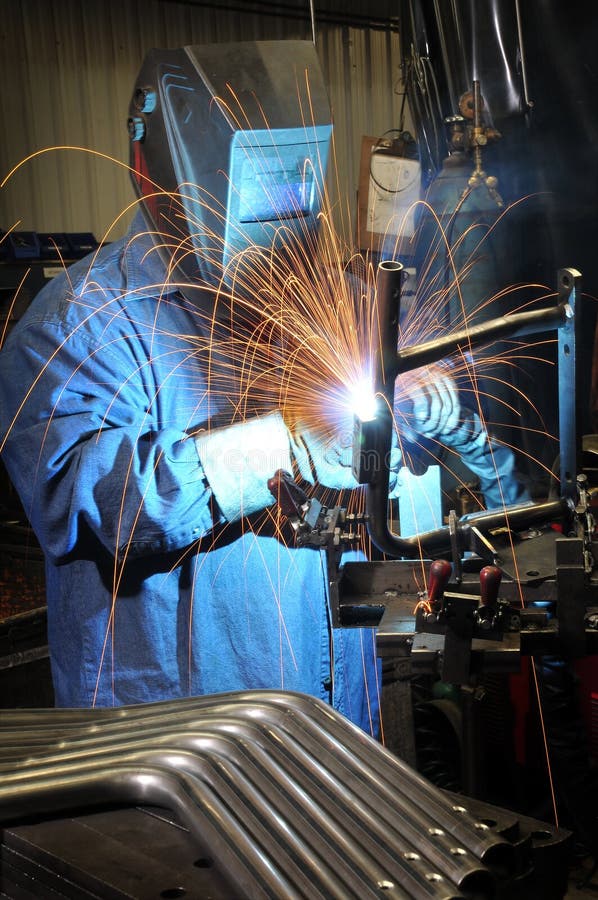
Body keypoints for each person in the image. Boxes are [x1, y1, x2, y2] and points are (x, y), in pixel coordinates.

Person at [0, 41, 525, 733]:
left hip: (338, 730)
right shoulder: (78, 329)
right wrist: (287, 445)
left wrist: (427, 424)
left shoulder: (330, 299)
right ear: (148, 169)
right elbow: (93, 503)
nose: (275, 235)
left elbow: (402, 512)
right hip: (177, 761)